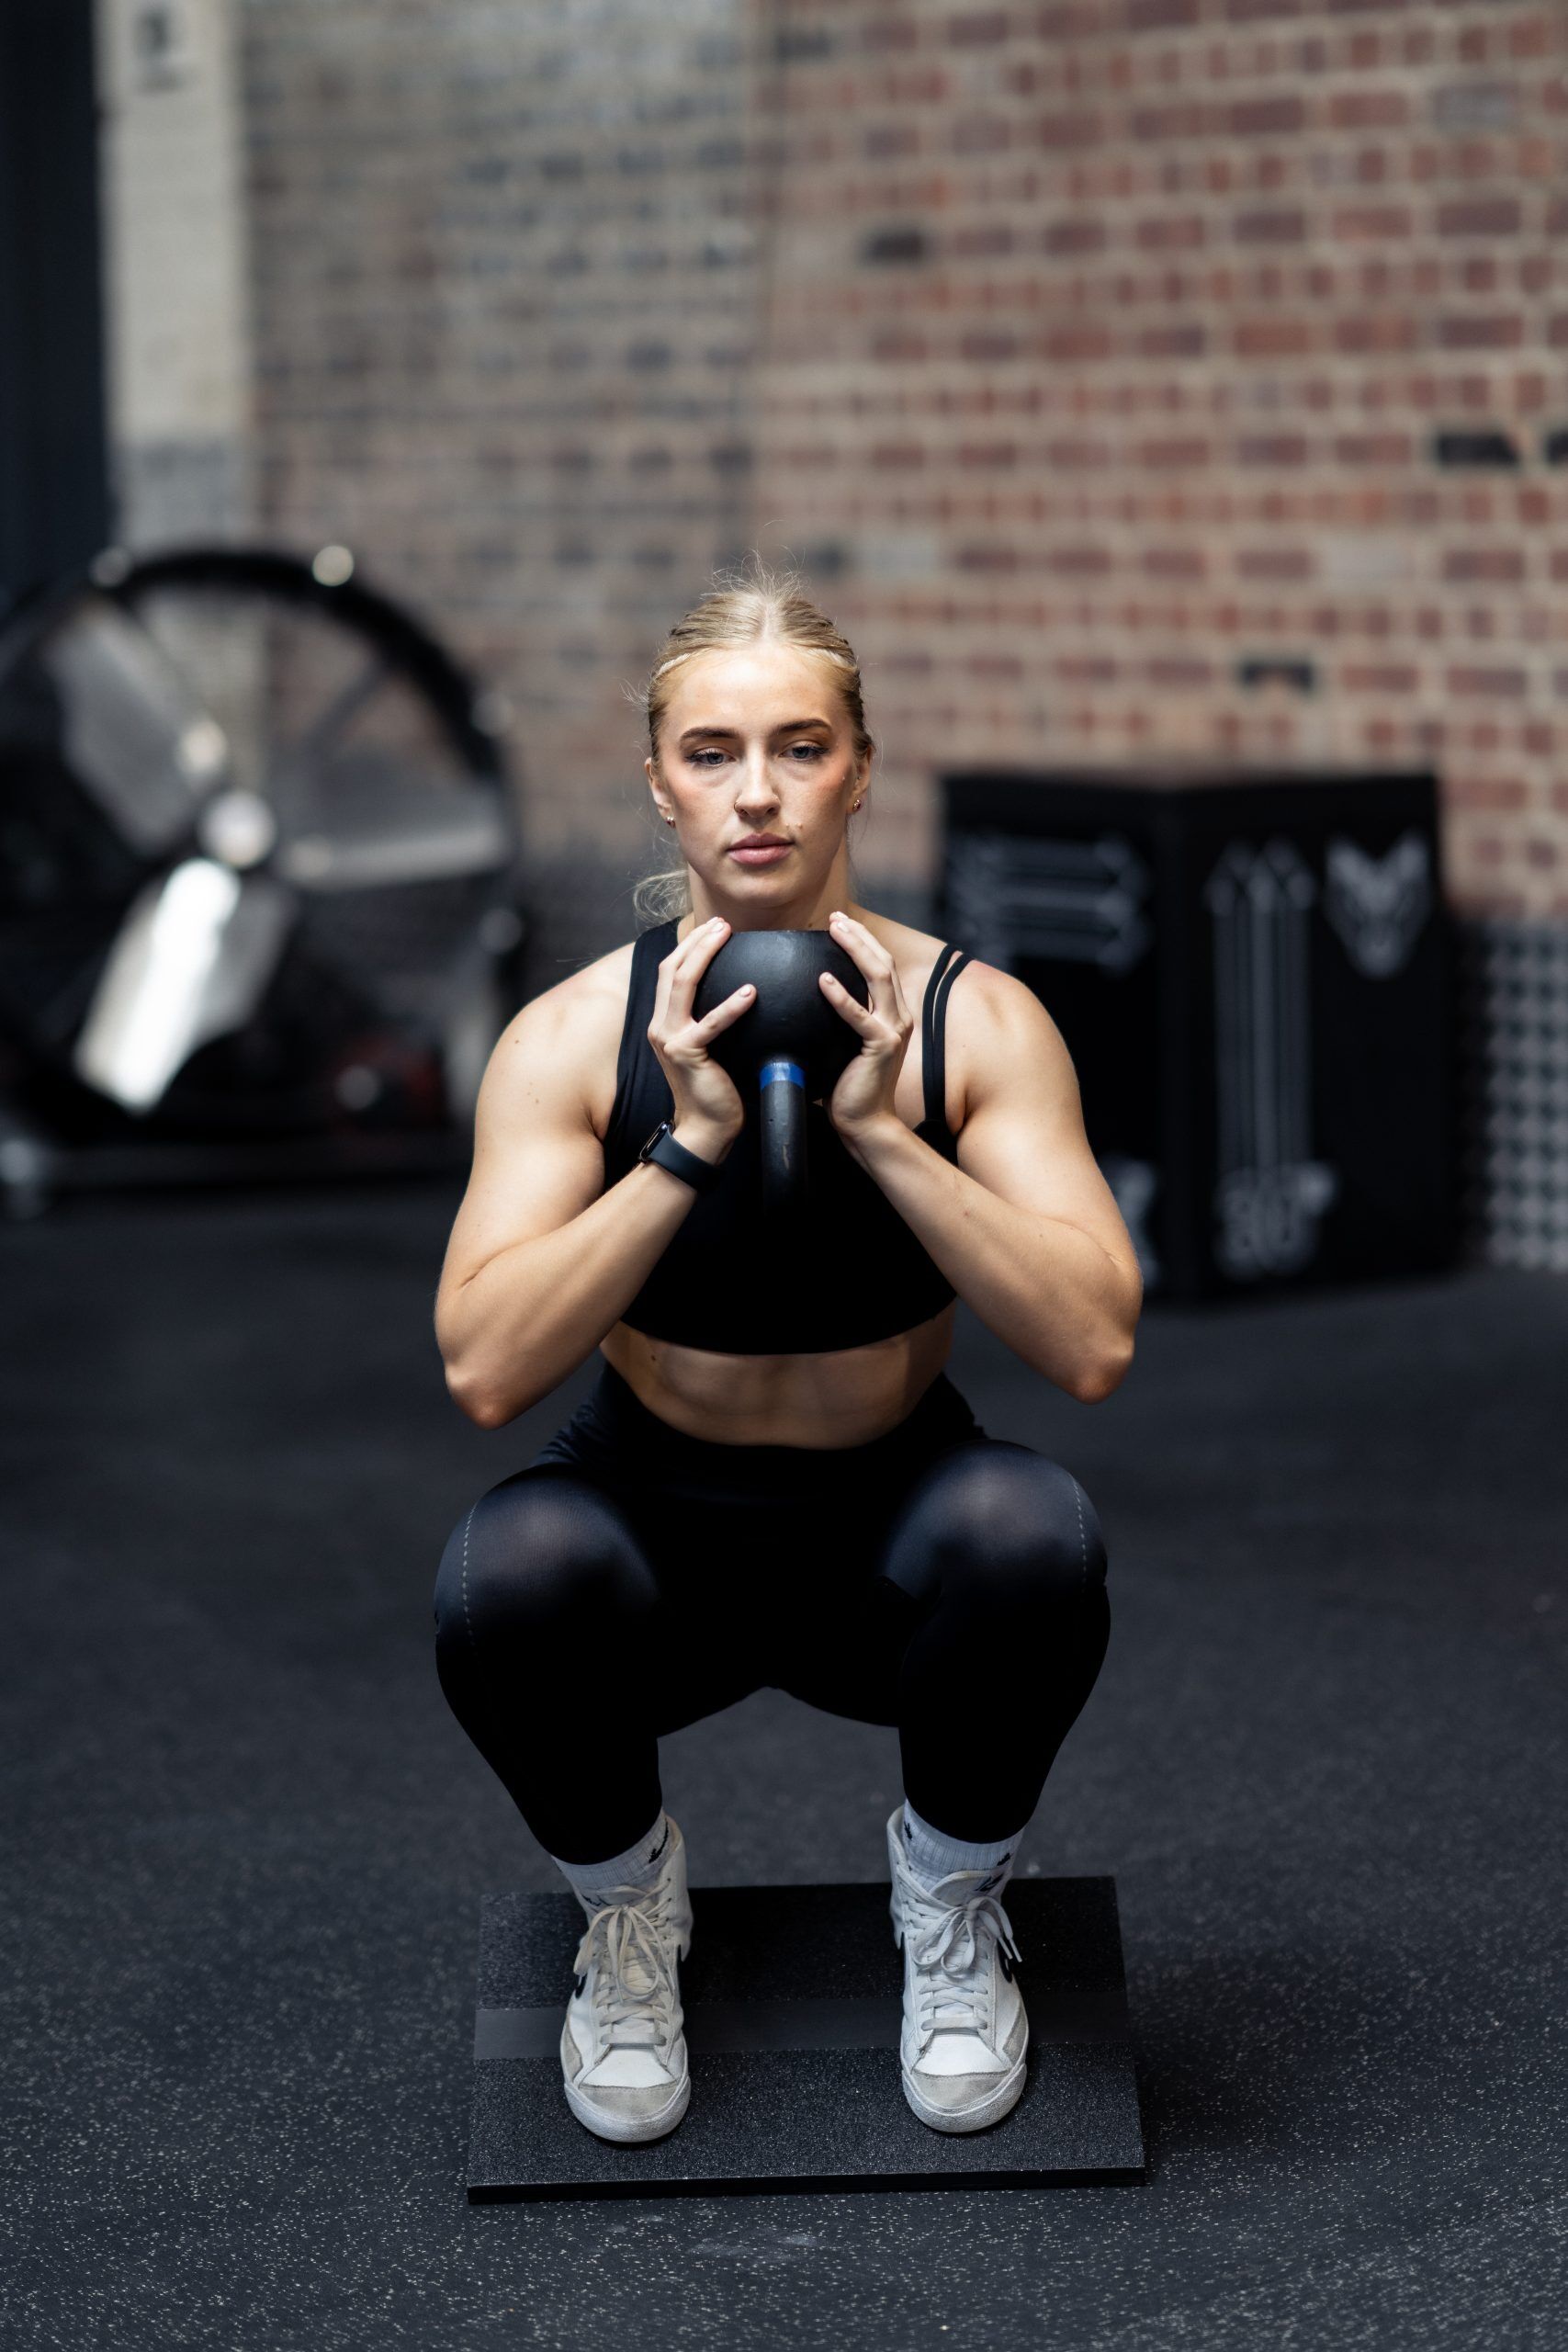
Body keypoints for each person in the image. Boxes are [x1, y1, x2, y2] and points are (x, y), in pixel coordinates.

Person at [433, 565, 1141, 2147]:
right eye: (712, 752)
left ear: (861, 769)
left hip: (890, 1538)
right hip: (653, 1537)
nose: (757, 792)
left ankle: (948, 1905)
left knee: (1034, 1532)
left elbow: (1094, 1342)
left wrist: (886, 1137)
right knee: (502, 1574)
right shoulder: (570, 1039)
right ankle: (630, 1915)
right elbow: (483, 1367)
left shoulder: (976, 1021)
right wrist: (681, 1148)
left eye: (801, 747)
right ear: (659, 783)